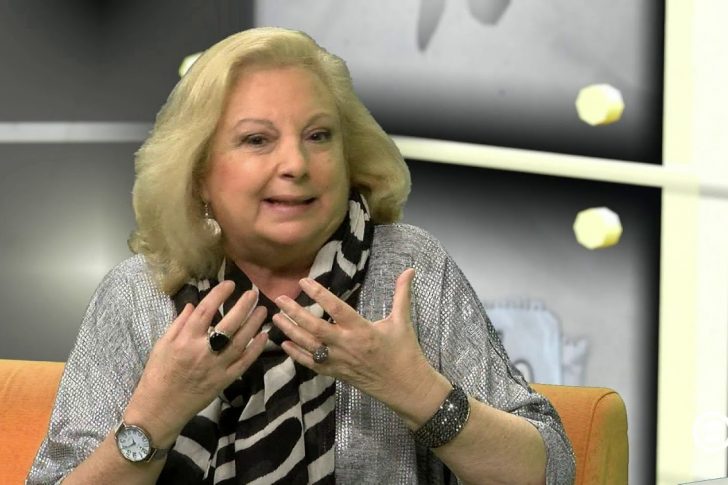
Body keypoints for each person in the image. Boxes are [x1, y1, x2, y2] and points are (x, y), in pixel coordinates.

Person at [27, 27, 575, 484]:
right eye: (257, 140)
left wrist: (414, 390)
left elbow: (549, 471)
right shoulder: (141, 292)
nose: (296, 164)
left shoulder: (408, 270)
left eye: (318, 136)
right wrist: (155, 418)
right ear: (198, 173)